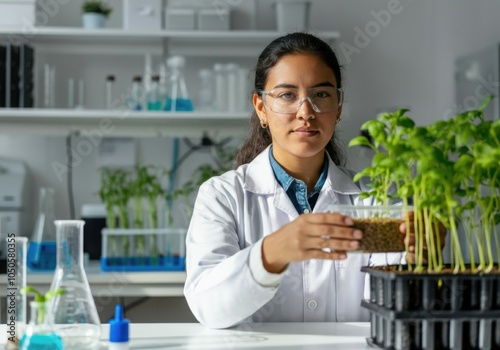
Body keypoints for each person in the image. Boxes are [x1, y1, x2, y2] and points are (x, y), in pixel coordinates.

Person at [183, 32, 444, 329]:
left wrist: (422, 256)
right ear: (260, 107)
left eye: (321, 95)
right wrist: (271, 253)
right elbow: (209, 307)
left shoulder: (374, 199)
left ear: (339, 106)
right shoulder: (223, 196)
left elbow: (396, 308)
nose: (306, 112)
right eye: (287, 95)